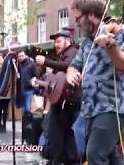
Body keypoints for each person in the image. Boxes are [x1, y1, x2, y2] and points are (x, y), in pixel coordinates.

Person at [66, 0, 124, 165]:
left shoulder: (122, 32)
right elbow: (74, 65)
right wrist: (71, 73)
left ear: (91, 14)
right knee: (108, 156)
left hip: (112, 105)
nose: (77, 23)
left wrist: (110, 46)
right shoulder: (86, 42)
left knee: (95, 154)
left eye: (78, 18)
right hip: (90, 108)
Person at [34, 29, 81, 164]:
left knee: (56, 134)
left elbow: (68, 66)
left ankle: (55, 160)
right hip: (64, 101)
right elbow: (57, 80)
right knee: (65, 135)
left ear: (68, 40)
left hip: (67, 101)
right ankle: (70, 161)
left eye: (59, 41)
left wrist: (46, 61)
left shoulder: (73, 52)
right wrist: (43, 84)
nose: (56, 44)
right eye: (55, 42)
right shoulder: (65, 54)